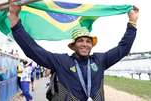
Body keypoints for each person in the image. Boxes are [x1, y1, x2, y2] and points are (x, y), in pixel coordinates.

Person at [8, 0, 139, 100]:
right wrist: (14, 18)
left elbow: (123, 48)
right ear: (73, 45)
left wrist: (132, 22)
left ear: (92, 45)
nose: (85, 44)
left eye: (88, 41)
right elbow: (33, 50)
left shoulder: (100, 60)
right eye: (80, 41)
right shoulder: (62, 61)